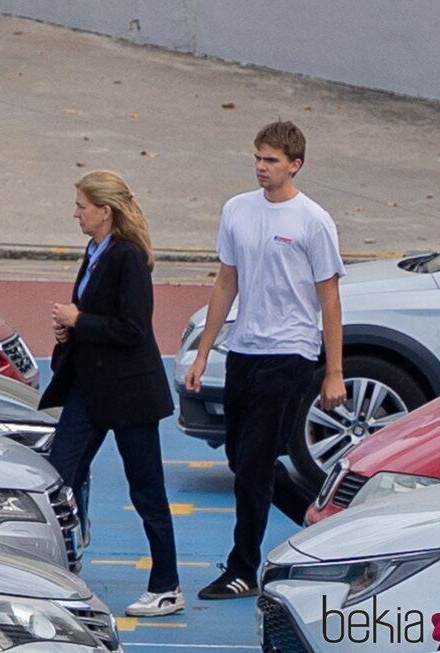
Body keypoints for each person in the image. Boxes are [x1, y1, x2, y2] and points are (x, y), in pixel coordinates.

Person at [184, 121, 347, 600]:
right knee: (242, 458)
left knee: (253, 466)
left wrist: (333, 372)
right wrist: (204, 352)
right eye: (258, 158)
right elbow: (225, 283)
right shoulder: (236, 210)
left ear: (294, 165)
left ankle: (242, 568)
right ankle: (328, 531)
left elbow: (330, 300)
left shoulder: (313, 221)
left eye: (271, 160)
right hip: (244, 353)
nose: (261, 167)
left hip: (290, 354)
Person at [39, 169, 183, 617]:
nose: (75, 213)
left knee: (146, 489)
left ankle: (167, 584)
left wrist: (79, 321)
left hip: (128, 393)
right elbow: (92, 312)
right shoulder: (95, 249)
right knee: (59, 476)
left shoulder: (128, 258)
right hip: (89, 385)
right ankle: (60, 564)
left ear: (105, 211)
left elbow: (134, 328)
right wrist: (69, 328)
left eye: (82, 206)